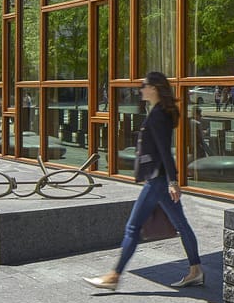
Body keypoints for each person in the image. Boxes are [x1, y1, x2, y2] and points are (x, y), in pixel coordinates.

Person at [85, 72, 203, 291]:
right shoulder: (160, 112)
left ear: (155, 88)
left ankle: (114, 276)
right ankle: (195, 270)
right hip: (159, 179)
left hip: (157, 181)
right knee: (181, 225)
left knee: (133, 227)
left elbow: (164, 151)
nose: (140, 89)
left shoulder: (159, 115)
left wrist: (172, 181)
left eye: (144, 85)